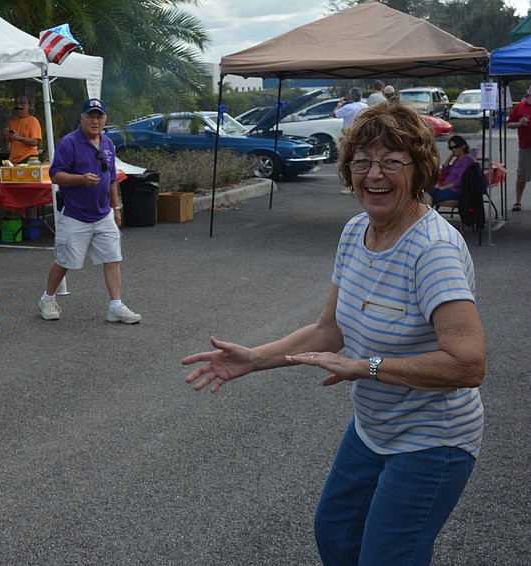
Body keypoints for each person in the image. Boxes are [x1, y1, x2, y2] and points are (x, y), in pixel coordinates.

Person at [182, 103, 485, 565]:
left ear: (420, 169)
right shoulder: (355, 231)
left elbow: (468, 363)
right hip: (374, 428)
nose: (374, 174)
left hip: (433, 439)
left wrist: (368, 367)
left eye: (391, 161)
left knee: (388, 556)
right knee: (337, 535)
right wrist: (254, 358)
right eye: (362, 161)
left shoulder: (433, 251)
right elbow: (330, 328)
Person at [38, 98, 141, 324]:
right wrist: (80, 179)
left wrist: (116, 208)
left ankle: (115, 306)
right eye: (90, 117)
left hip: (103, 213)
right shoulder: (69, 143)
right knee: (65, 260)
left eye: (99, 117)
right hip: (75, 214)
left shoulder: (107, 143)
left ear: (104, 120)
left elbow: (112, 178)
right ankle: (47, 298)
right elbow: (55, 175)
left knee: (113, 257)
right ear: (82, 119)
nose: (95, 121)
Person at [3, 95, 43, 220]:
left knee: (30, 190)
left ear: (27, 106)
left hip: (28, 158)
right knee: (16, 190)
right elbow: (6, 139)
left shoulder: (33, 121)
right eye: (17, 109)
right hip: (14, 159)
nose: (19, 111)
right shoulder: (13, 122)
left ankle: (32, 217)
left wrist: (19, 138)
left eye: (21, 108)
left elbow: (35, 142)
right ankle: (20, 216)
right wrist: (4, 134)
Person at [422, 135, 476, 206]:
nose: (453, 150)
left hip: (455, 190)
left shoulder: (467, 160)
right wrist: (450, 157)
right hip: (447, 188)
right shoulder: (457, 160)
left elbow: (460, 181)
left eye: (455, 147)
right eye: (451, 148)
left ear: (463, 146)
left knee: (426, 196)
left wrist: (443, 187)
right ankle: (427, 214)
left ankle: (429, 215)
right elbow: (444, 171)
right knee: (423, 192)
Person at [506, 84, 531, 211]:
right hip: (525, 146)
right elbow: (509, 124)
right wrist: (519, 123)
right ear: (529, 91)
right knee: (522, 175)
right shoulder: (520, 106)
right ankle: (517, 201)